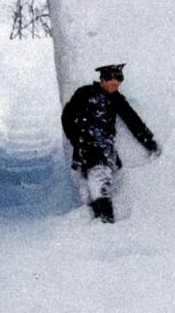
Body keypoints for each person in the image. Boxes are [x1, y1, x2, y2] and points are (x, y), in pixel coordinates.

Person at [61, 63, 159, 223]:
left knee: (101, 181)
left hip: (105, 149)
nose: (115, 83)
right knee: (96, 182)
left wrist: (149, 142)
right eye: (111, 78)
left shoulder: (116, 99)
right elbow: (67, 117)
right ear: (102, 79)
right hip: (86, 148)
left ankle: (104, 220)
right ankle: (103, 221)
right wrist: (78, 139)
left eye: (119, 79)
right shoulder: (84, 93)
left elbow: (133, 121)